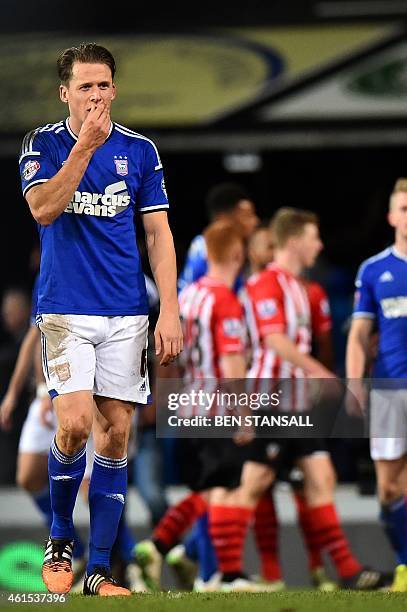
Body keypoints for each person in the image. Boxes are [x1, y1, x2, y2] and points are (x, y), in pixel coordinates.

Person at [18, 42, 182, 597]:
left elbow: (158, 234)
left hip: (128, 314)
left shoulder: (140, 151)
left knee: (116, 439)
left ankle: (99, 572)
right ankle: (61, 538)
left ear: (115, 89)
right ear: (64, 92)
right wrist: (84, 149)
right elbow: (43, 208)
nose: (95, 96)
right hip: (65, 309)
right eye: (84, 86)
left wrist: (171, 309)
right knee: (75, 424)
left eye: (103, 85)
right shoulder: (42, 143)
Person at [237, 207, 389, 590]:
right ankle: (218, 567)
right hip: (270, 401)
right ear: (294, 241)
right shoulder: (265, 284)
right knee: (252, 485)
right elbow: (274, 341)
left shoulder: (301, 289)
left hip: (297, 403)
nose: (319, 245)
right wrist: (320, 373)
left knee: (321, 477)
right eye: (314, 237)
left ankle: (348, 572)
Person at [346, 178, 407, 592]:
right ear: (391, 215)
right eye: (404, 208)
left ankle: (406, 566)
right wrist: (354, 384)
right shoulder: (374, 269)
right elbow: (358, 333)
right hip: (388, 389)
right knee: (388, 488)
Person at [177, 182, 259, 292]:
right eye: (247, 216)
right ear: (223, 218)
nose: (255, 221)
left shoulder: (250, 248)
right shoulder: (203, 246)